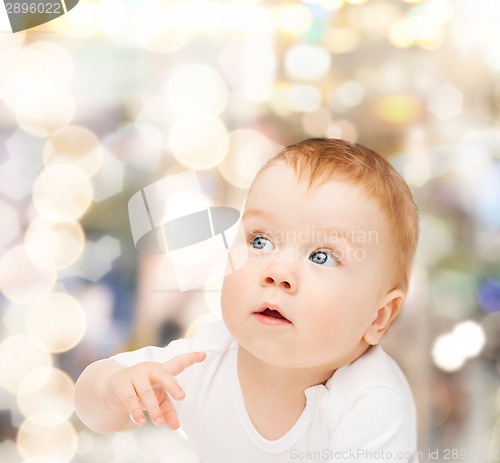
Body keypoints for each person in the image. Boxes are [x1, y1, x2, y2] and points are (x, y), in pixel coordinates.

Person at [74, 138, 420, 463]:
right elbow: (94, 410)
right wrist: (111, 390)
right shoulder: (206, 360)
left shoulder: (371, 402)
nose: (278, 271)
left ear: (379, 317)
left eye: (321, 256)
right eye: (260, 241)